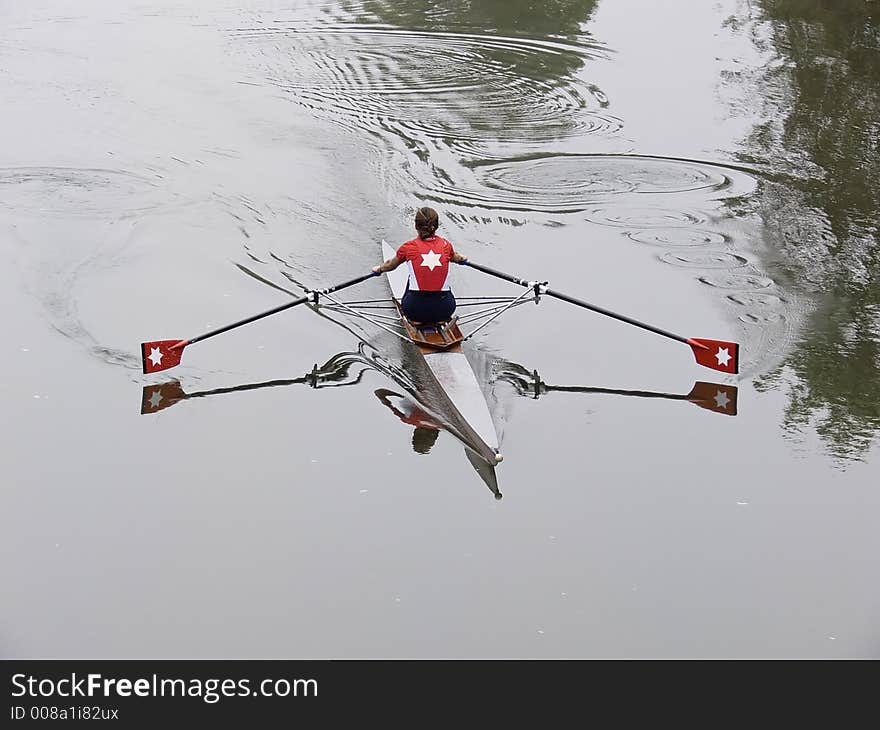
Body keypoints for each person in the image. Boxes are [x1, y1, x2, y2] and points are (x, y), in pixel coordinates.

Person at [372, 206, 467, 324]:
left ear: (416, 226)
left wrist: (379, 270)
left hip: (414, 310)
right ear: (436, 226)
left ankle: (417, 318)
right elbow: (456, 257)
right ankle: (438, 316)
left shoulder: (409, 247)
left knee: (411, 277)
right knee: (441, 278)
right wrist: (462, 258)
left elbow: (391, 265)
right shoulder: (446, 245)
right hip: (446, 310)